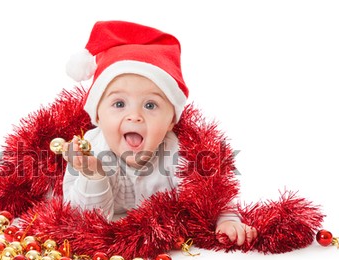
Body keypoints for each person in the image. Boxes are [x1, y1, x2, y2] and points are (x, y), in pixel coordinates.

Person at [62, 21, 257, 246]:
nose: (134, 116)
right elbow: (82, 220)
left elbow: (211, 193)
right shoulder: (90, 151)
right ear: (97, 116)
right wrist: (93, 176)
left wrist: (226, 220)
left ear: (171, 121)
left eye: (150, 105)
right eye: (118, 104)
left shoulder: (178, 154)